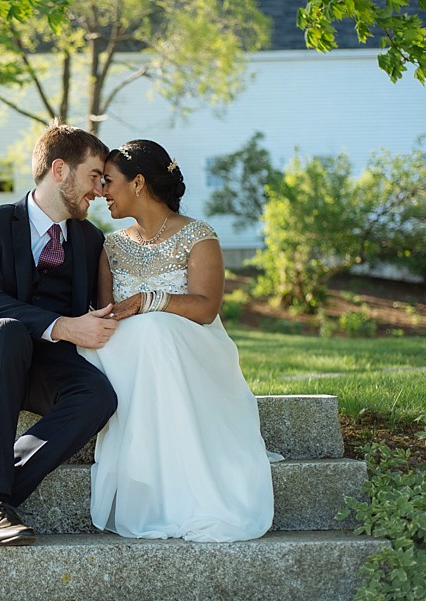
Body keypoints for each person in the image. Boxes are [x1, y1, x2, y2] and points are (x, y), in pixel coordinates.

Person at [78, 139, 283, 542]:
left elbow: (206, 309)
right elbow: (107, 315)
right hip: (130, 358)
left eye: (109, 182)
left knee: (156, 328)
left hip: (193, 349)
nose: (102, 192)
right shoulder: (112, 246)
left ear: (138, 183)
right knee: (132, 335)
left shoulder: (198, 236)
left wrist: (149, 300)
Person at [0, 121, 120, 547]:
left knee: (98, 396)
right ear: (60, 170)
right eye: (94, 176)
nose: (100, 190)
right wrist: (64, 326)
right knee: (10, 331)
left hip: (47, 365)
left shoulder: (91, 240)